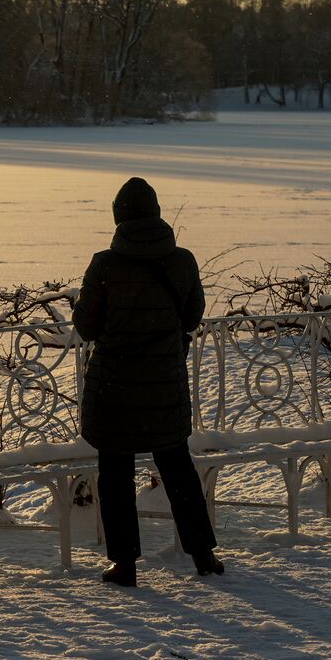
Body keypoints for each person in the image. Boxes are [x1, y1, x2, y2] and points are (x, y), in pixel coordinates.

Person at [72, 177, 224, 587]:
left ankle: (124, 565)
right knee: (178, 470)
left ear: (119, 218)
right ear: (157, 214)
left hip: (114, 389)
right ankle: (204, 556)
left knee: (116, 475)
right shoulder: (183, 260)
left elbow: (86, 326)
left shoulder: (104, 264)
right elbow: (191, 317)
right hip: (163, 385)